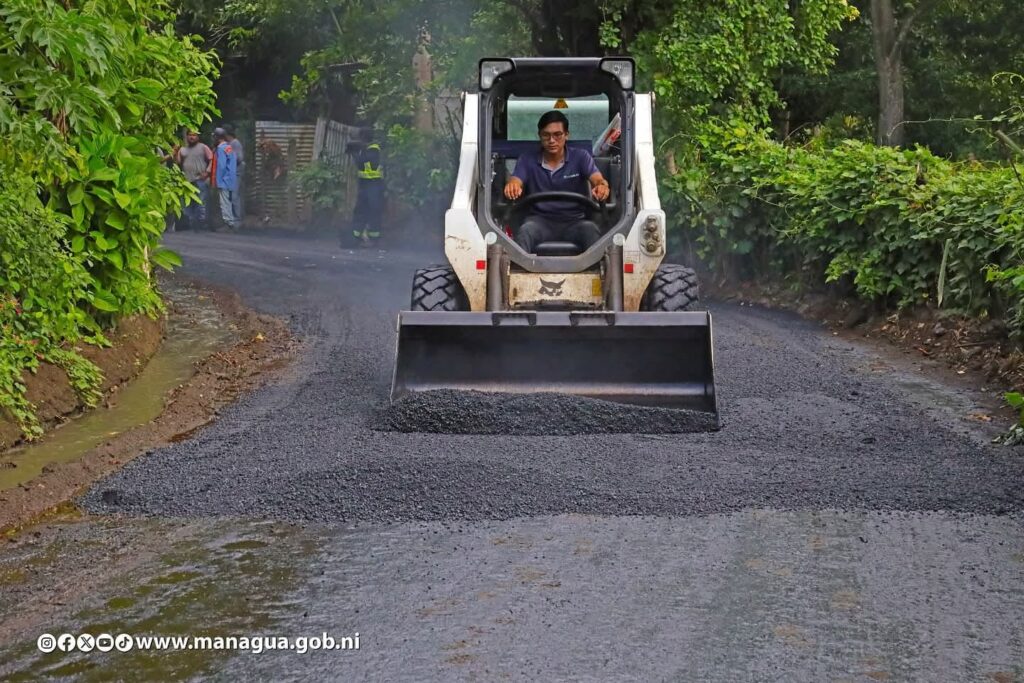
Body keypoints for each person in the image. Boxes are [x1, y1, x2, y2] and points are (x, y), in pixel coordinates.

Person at [503, 110, 610, 253]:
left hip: (575, 221)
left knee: (591, 230)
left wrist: (602, 187)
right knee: (525, 230)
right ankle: (517, 271)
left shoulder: (581, 157)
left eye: (557, 135)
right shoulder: (527, 159)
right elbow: (516, 180)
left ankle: (600, 271)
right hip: (539, 221)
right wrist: (512, 186)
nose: (552, 140)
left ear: (567, 135)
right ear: (539, 136)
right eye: (546, 135)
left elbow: (598, 180)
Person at [347, 138, 385, 245]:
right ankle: (356, 237)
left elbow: (361, 161)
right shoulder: (366, 150)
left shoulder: (374, 150)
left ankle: (374, 238)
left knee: (373, 211)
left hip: (374, 185)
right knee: (360, 211)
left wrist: (354, 153)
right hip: (365, 185)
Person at [175, 130, 213, 230]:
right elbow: (177, 162)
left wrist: (207, 172)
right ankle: (190, 223)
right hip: (187, 180)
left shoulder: (203, 147)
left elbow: (212, 159)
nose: (192, 137)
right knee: (187, 203)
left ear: (198, 137)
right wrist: (175, 152)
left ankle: (202, 224)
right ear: (187, 136)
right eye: (190, 135)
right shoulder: (183, 149)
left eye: (194, 135)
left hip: (200, 179)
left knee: (201, 201)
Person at [212, 127, 240, 232]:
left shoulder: (220, 148)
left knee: (224, 202)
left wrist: (219, 180)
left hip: (223, 179)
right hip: (230, 178)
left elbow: (222, 166)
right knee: (229, 201)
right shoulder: (229, 147)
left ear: (218, 137)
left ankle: (229, 223)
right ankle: (230, 222)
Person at [224, 125, 245, 221]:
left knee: (234, 196)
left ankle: (237, 220)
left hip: (235, 173)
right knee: (229, 197)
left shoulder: (235, 143)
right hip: (229, 174)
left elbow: (239, 158)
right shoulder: (228, 144)